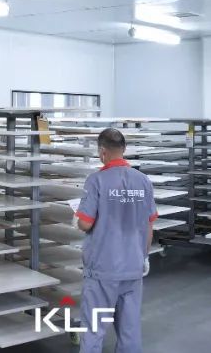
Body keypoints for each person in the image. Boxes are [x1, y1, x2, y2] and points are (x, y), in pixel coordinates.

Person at [74, 127, 157, 353]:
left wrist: (77, 218)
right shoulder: (143, 181)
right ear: (124, 149)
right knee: (130, 331)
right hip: (133, 267)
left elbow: (85, 223)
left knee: (93, 330)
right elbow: (149, 224)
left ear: (102, 152)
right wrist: (144, 256)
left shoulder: (96, 181)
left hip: (103, 269)